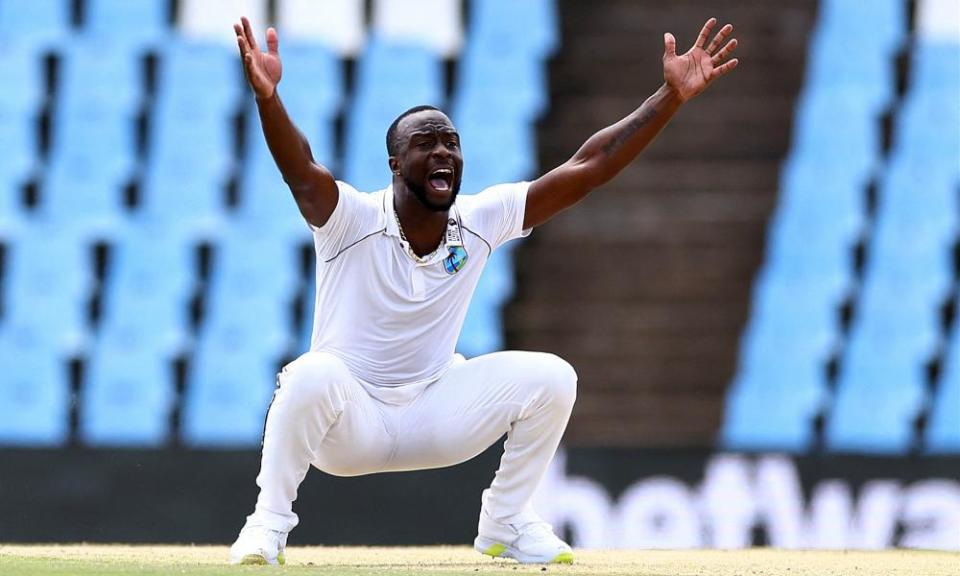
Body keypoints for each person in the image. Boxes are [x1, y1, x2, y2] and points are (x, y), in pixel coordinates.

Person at [228, 15, 738, 566]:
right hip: (349, 423)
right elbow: (302, 171)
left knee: (552, 377)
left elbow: (588, 167)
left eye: (452, 143)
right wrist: (268, 98)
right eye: (428, 144)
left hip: (435, 413)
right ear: (396, 164)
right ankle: (267, 528)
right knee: (308, 373)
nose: (445, 153)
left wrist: (669, 97)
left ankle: (506, 521)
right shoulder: (349, 220)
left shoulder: (478, 221)